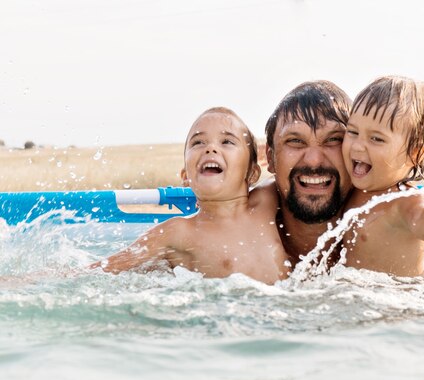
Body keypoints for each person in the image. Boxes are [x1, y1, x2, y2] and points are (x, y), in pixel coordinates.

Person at [91, 107, 290, 284]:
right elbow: (105, 269)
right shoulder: (177, 231)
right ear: (186, 177)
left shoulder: (266, 201)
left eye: (227, 141)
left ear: (252, 173)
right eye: (198, 142)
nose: (210, 148)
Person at [340, 75, 424, 277]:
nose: (358, 145)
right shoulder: (352, 190)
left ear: (414, 153)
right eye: (352, 132)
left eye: (376, 139)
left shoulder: (403, 201)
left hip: (407, 299)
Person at [261, 81, 354, 263]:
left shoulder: (396, 229)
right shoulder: (237, 240)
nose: (314, 160)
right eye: (295, 141)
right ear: (270, 158)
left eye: (334, 139)